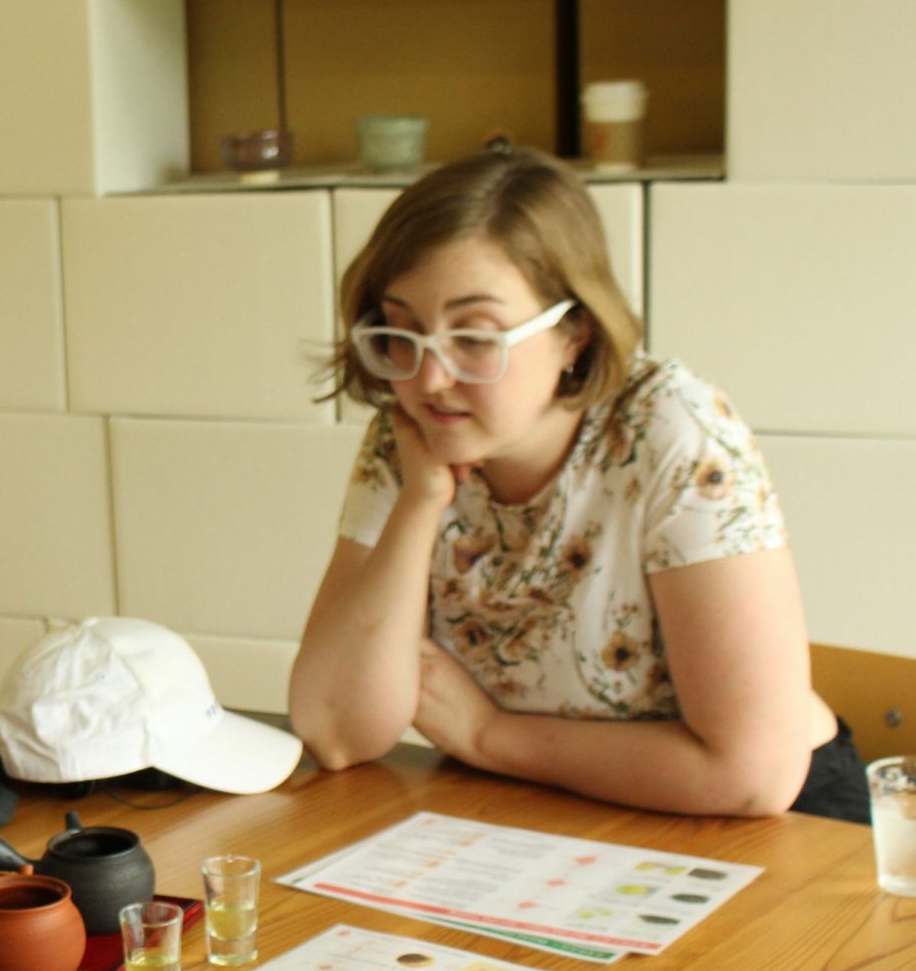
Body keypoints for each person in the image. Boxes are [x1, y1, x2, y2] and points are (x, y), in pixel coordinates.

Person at [289, 146, 866, 823]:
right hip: (540, 805)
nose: (429, 378)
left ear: (574, 333)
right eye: (403, 332)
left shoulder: (672, 428)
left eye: (475, 338)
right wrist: (421, 502)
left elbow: (750, 775)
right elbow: (334, 729)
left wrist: (489, 735)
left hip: (777, 824)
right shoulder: (410, 435)